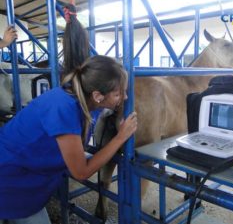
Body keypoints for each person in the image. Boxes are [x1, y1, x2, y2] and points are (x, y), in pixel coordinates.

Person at [0, 55, 137, 224]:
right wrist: (120, 137)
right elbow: (81, 172)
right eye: (118, 93)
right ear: (97, 95)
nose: (124, 98)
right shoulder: (64, 108)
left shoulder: (83, 99)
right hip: (10, 179)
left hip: (24, 170)